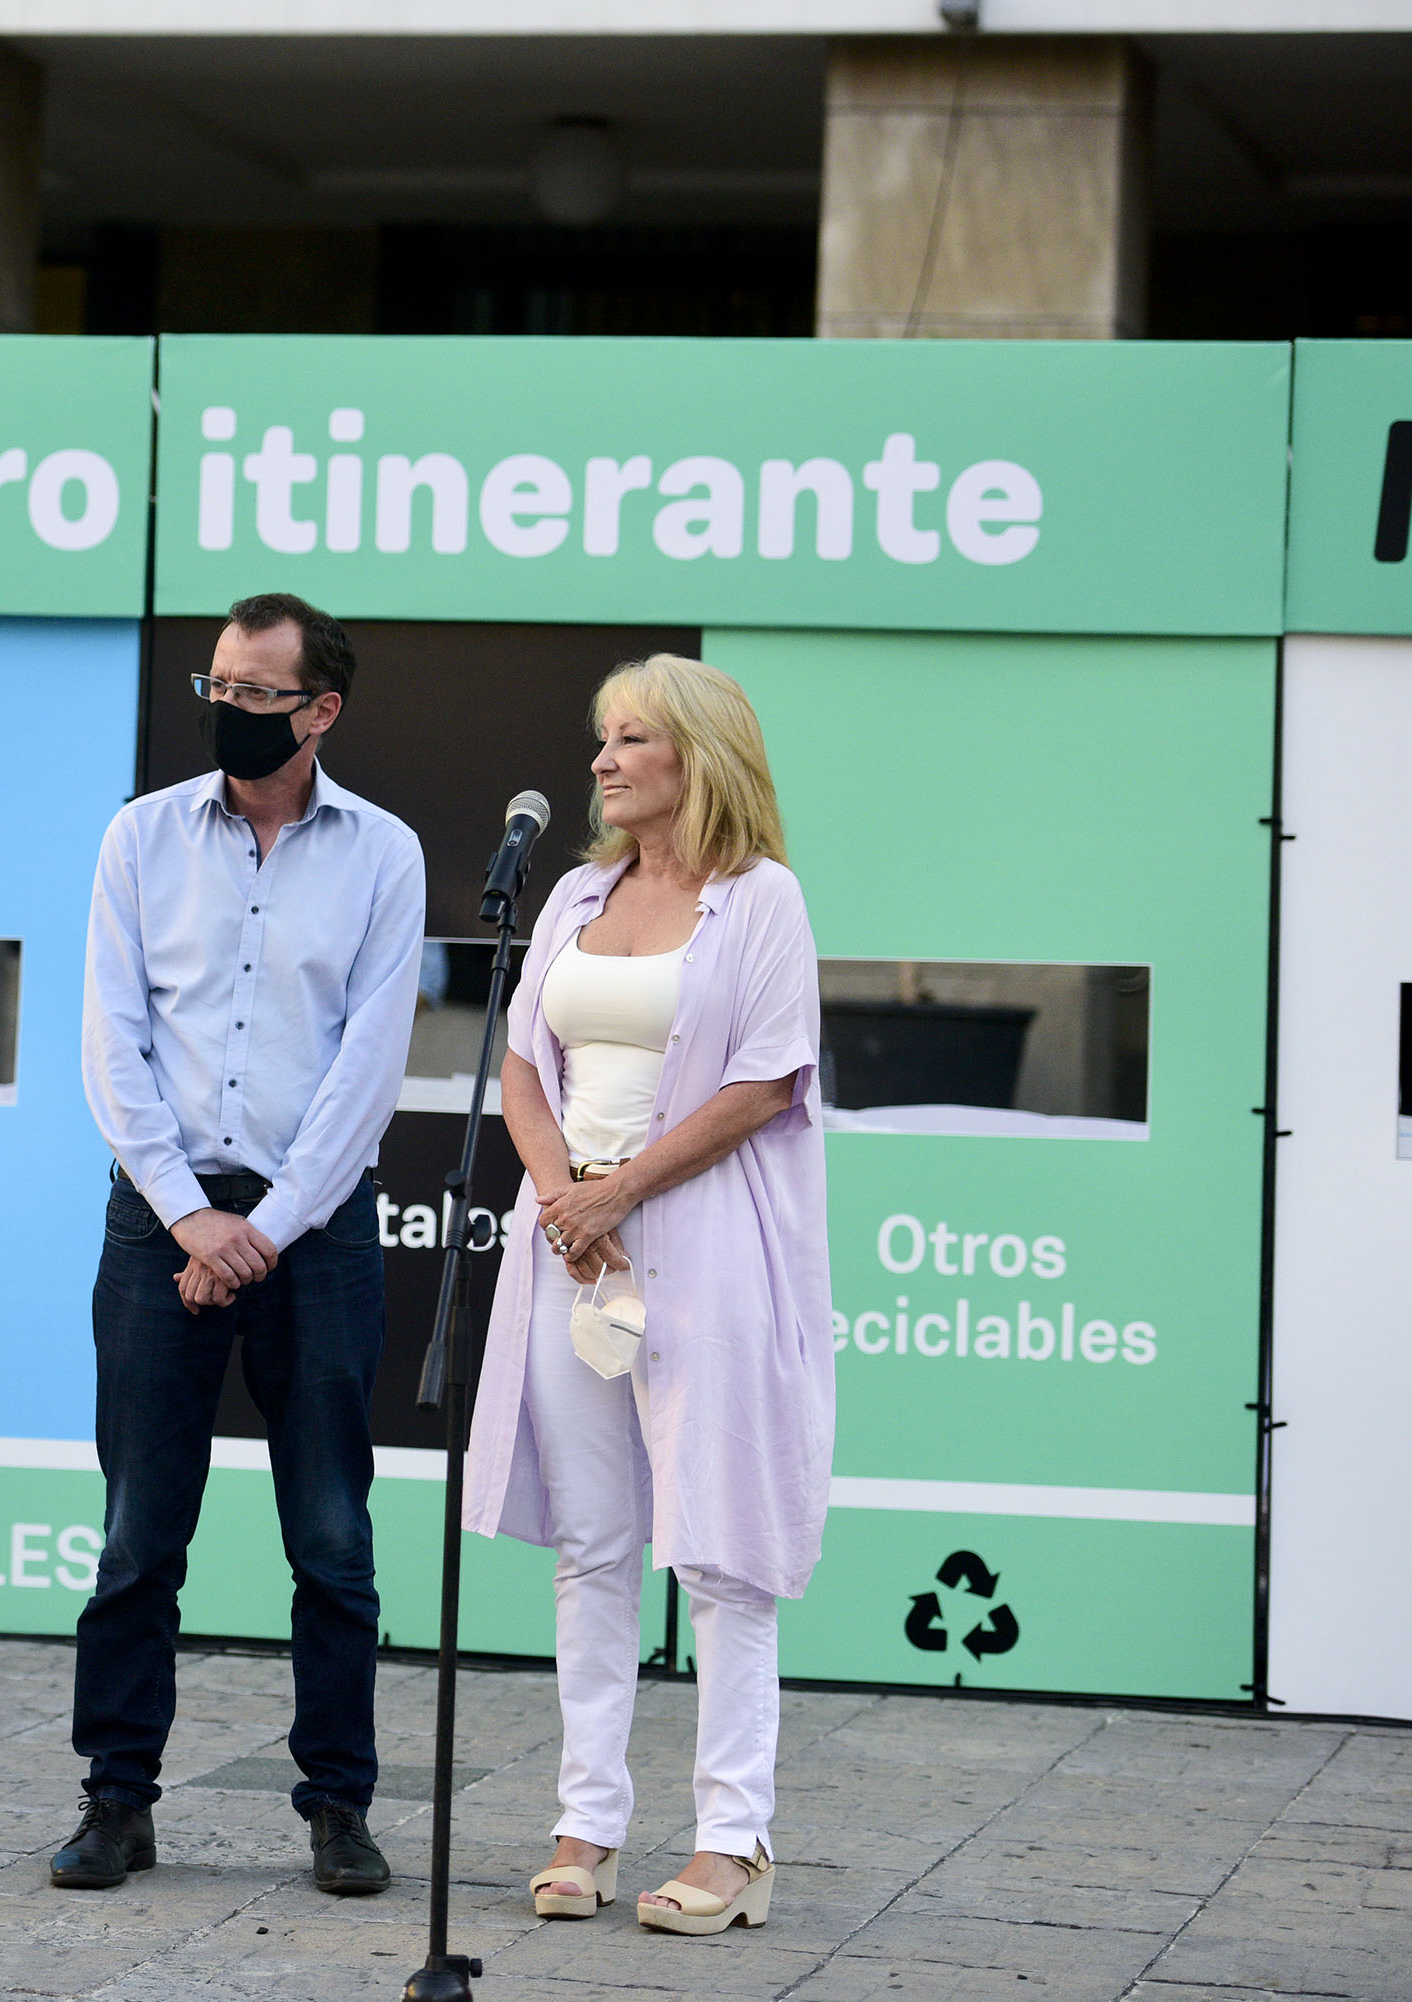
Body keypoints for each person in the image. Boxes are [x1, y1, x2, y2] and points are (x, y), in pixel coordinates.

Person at [58, 592, 426, 1898]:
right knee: (135, 1534)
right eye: (215, 682)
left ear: (320, 710)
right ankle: (115, 1798)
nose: (226, 709)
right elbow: (113, 1040)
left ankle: (339, 1805)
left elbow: (368, 1068)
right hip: (158, 1218)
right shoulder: (141, 836)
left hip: (311, 1231)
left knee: (331, 1535)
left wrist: (260, 1231)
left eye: (258, 693)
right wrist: (186, 1213)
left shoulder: (385, 853)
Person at [460, 652, 831, 1937]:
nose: (605, 760)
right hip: (569, 1245)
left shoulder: (761, 899)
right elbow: (520, 1066)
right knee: (595, 1544)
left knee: (721, 1552)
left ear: (699, 755)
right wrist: (566, 1194)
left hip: (704, 1243)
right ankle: (588, 1822)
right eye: (601, 740)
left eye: (632, 740)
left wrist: (619, 1194)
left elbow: (766, 1082)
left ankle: (734, 1839)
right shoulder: (569, 891)